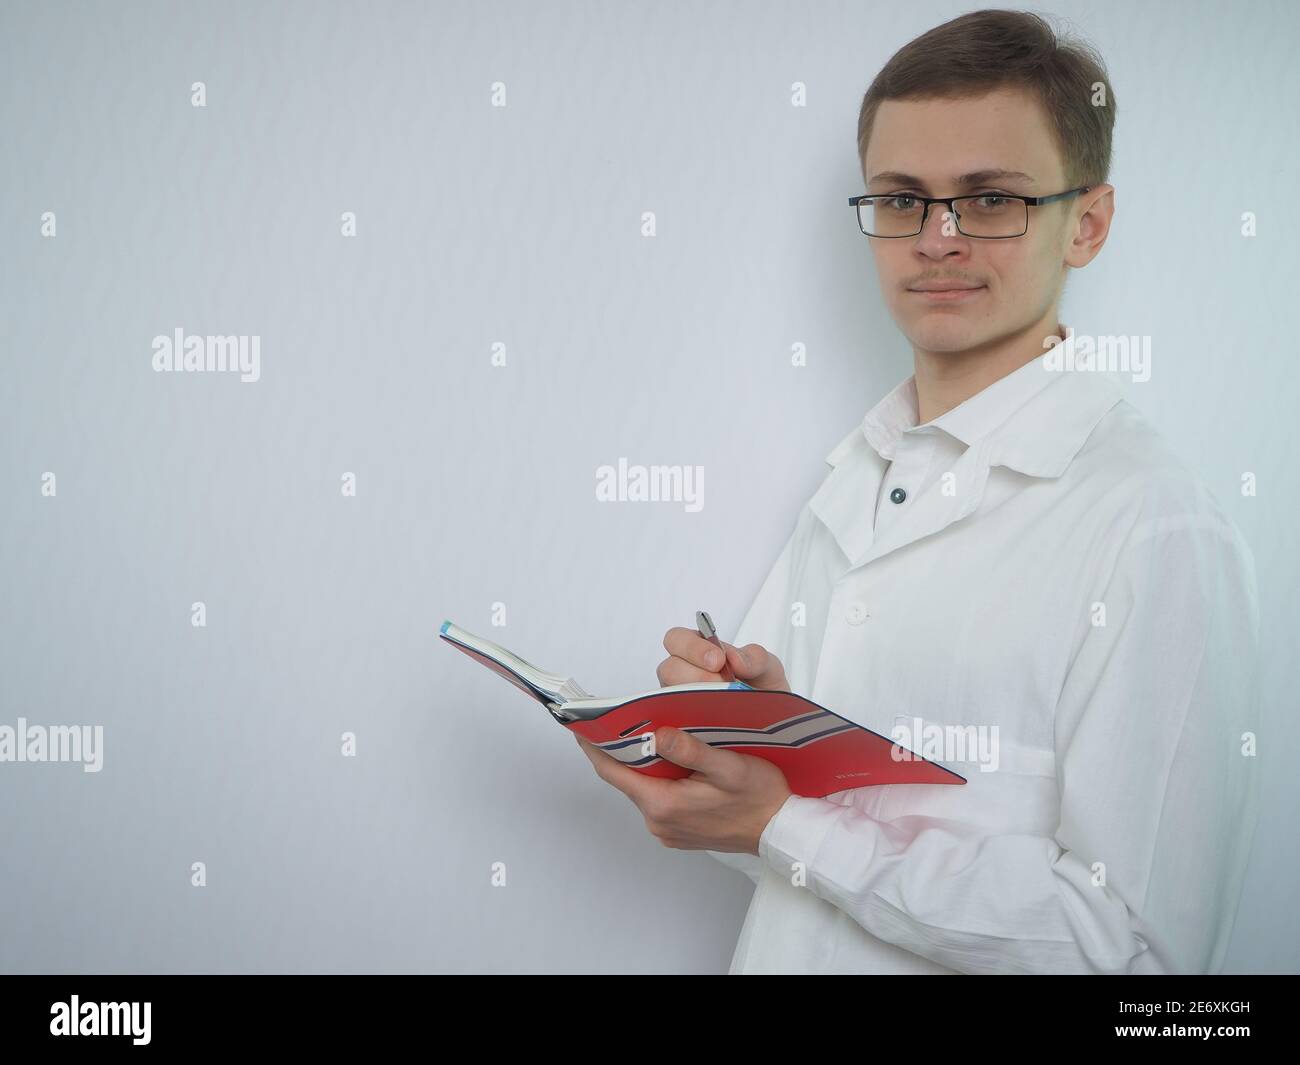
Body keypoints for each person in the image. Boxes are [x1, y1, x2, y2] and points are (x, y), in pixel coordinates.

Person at [574, 8, 1260, 974]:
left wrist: (788, 822)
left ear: (1088, 224)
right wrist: (763, 751)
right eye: (902, 199)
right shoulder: (858, 476)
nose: (936, 239)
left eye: (989, 201)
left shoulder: (1152, 525)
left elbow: (1137, 959)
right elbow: (789, 853)